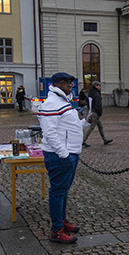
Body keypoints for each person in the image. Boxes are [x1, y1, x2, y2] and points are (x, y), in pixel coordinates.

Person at [38, 72, 86, 243]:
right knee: (58, 192)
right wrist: (64, 154)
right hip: (60, 155)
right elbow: (49, 133)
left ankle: (61, 221)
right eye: (67, 83)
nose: (71, 85)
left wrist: (85, 122)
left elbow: (68, 127)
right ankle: (56, 231)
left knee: (63, 191)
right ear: (58, 84)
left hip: (69, 153)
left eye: (71, 83)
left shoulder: (63, 101)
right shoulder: (52, 103)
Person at [82, 80, 113, 147]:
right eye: (99, 86)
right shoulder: (96, 94)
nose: (99, 87)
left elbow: (88, 102)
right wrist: (98, 112)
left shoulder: (91, 93)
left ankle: (104, 139)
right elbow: (98, 104)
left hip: (92, 111)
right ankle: (83, 140)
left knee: (100, 126)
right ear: (96, 86)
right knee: (91, 127)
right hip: (95, 112)